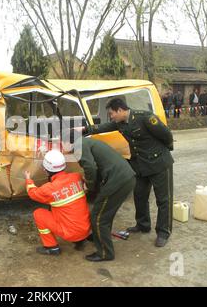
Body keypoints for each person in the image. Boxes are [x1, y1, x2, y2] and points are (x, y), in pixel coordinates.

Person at [84, 98, 174, 247]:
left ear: (120, 110)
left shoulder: (145, 117)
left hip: (159, 163)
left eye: (112, 113)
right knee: (139, 195)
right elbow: (103, 127)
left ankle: (163, 232)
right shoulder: (120, 123)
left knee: (163, 199)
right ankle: (143, 224)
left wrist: (162, 152)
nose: (111, 116)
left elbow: (166, 135)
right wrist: (84, 130)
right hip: (140, 165)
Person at [65, 132, 136, 262]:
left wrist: (88, 186)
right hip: (126, 177)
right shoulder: (87, 142)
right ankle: (99, 235)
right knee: (106, 212)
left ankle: (105, 253)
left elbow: (90, 167)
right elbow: (97, 166)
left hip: (118, 180)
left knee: (98, 216)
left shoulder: (79, 145)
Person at [24, 150, 91, 256]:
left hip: (71, 234)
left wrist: (28, 180)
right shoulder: (77, 177)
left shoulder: (49, 189)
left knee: (39, 214)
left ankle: (51, 247)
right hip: (86, 229)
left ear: (45, 170)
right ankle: (80, 240)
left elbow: (33, 193)